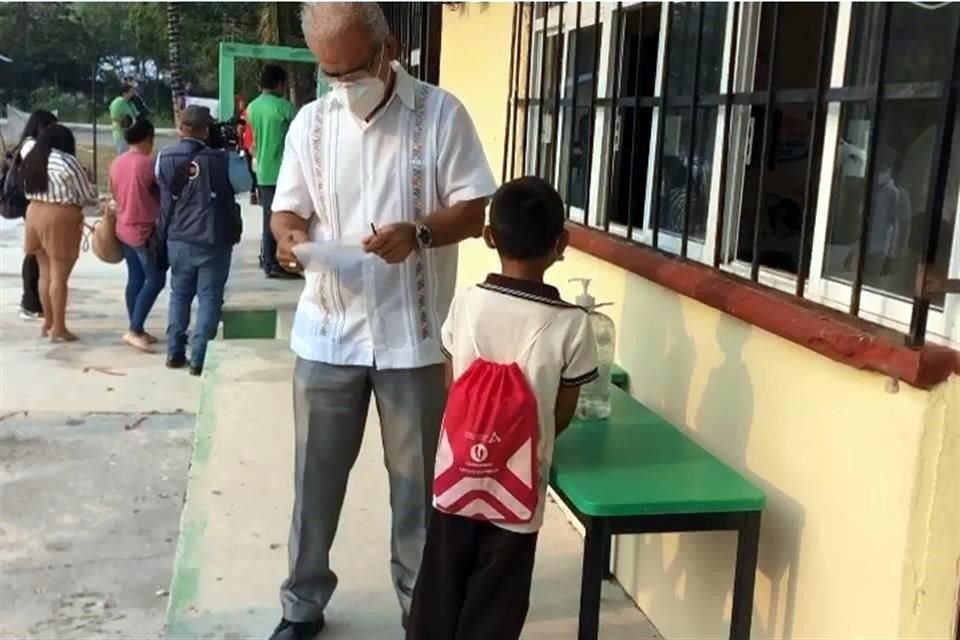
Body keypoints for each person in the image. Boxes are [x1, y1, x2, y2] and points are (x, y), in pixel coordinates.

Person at [267, 3, 497, 639]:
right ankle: (301, 606)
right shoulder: (310, 125)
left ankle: (417, 612)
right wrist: (289, 239)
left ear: (388, 46)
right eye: (329, 73)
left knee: (416, 495)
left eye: (355, 68)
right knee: (314, 486)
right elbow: (287, 212)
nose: (344, 84)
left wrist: (419, 233)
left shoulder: (441, 114)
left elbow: (477, 210)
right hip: (327, 334)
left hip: (413, 341)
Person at [406, 176, 599, 640]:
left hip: (456, 472)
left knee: (439, 582)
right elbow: (562, 410)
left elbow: (451, 380)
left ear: (490, 237)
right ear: (562, 244)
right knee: (499, 594)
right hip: (519, 483)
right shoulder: (572, 325)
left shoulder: (468, 302)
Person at [155, 105, 251, 376]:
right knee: (209, 298)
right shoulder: (221, 160)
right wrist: (232, 152)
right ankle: (199, 358)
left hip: (177, 237)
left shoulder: (163, 156)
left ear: (180, 128)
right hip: (213, 238)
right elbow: (243, 184)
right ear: (207, 131)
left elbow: (160, 186)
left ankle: (174, 351)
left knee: (180, 294)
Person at [20, 124, 98, 342]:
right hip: (60, 215)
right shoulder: (66, 161)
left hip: (34, 211)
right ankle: (59, 327)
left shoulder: (33, 156)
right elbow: (87, 196)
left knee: (44, 273)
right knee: (59, 277)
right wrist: (89, 180)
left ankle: (47, 322)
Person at [110, 118, 164, 352]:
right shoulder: (148, 164)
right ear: (147, 139)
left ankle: (137, 327)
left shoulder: (117, 163)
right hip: (143, 230)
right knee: (156, 279)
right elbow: (162, 192)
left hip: (123, 227)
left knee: (135, 278)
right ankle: (134, 329)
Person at [246, 64, 296, 278]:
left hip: (263, 169)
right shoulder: (285, 108)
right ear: (279, 84)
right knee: (281, 219)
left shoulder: (252, 107)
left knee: (268, 216)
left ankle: (266, 259)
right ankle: (273, 263)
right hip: (283, 170)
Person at [11, 110, 58, 320]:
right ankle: (30, 302)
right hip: (31, 203)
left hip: (33, 203)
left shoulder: (30, 145)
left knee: (37, 254)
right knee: (34, 254)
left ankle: (34, 300)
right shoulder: (31, 146)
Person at [110, 82, 139, 153]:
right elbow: (114, 118)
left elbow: (136, 115)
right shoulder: (118, 103)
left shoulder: (130, 103)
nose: (133, 94)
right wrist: (126, 123)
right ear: (125, 93)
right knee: (124, 155)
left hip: (131, 135)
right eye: (131, 92)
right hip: (121, 135)